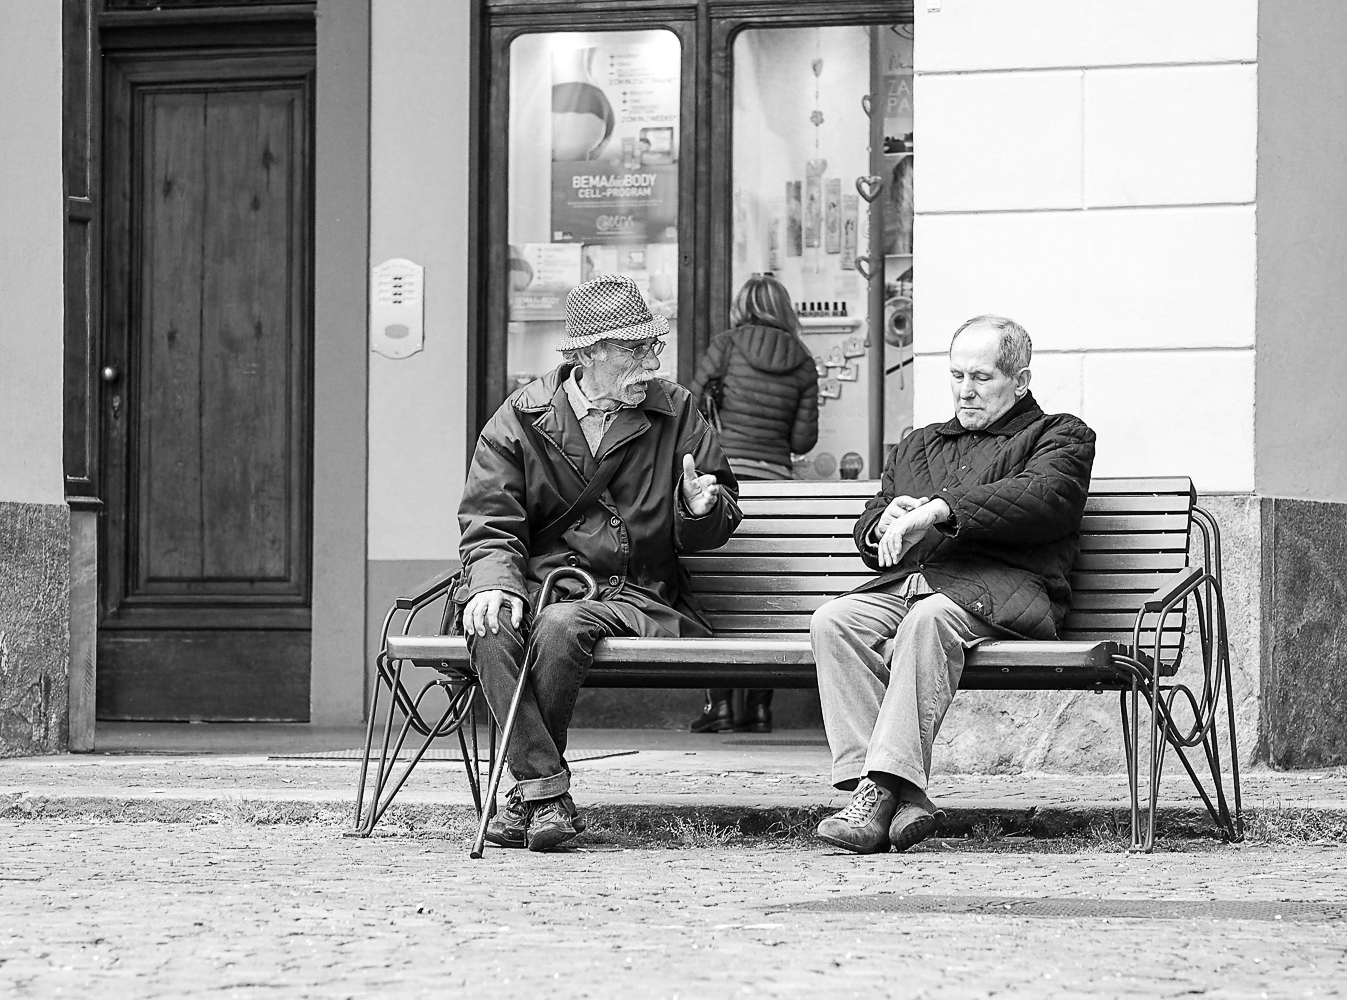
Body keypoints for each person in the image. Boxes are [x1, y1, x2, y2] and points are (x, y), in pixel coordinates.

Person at [458, 274, 743, 852]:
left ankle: (529, 795)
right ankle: (544, 795)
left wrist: (700, 508)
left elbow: (718, 517)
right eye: (634, 349)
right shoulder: (517, 419)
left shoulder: (678, 410)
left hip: (635, 593)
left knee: (563, 626)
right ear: (589, 354)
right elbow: (490, 520)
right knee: (491, 624)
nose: (650, 360)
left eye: (652, 346)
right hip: (544, 587)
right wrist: (493, 583)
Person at [810, 315, 1096, 853]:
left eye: (982, 377)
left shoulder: (1061, 435)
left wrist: (940, 510)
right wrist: (883, 524)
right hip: (913, 584)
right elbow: (872, 526)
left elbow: (1043, 500)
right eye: (957, 375)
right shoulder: (919, 444)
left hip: (1002, 592)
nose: (966, 390)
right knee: (834, 621)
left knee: (927, 619)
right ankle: (888, 795)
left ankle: (876, 797)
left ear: (1021, 379)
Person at [686, 274, 820, 734]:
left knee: (720, 588)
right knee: (767, 594)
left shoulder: (725, 346)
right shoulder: (803, 360)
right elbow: (804, 438)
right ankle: (760, 707)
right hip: (776, 481)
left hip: (723, 479)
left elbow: (692, 406)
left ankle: (719, 705)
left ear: (743, 306)